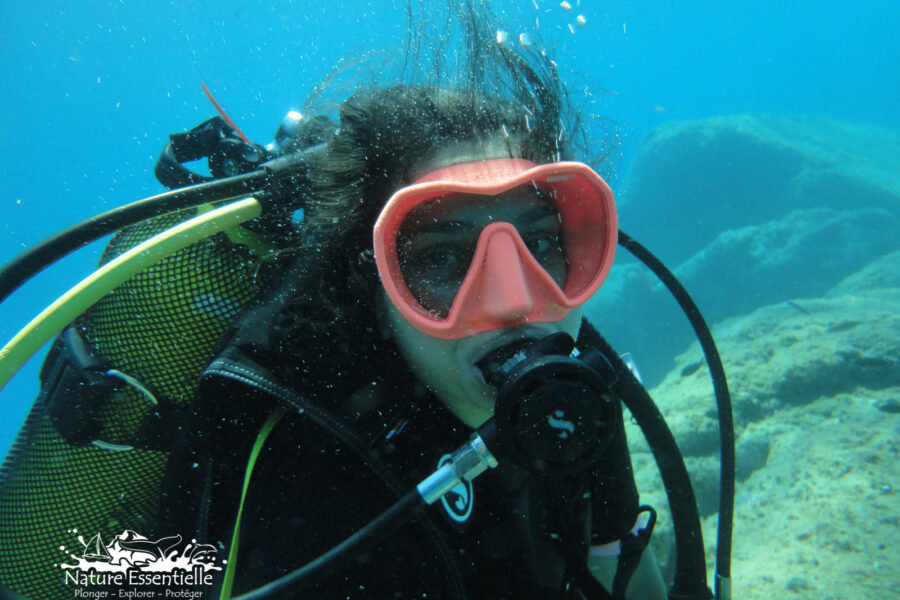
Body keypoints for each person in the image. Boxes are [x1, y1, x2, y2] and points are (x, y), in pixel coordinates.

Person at [156, 81, 668, 599]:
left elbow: (620, 566)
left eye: (539, 243)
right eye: (442, 257)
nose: (515, 302)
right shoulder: (311, 488)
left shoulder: (570, 402)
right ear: (373, 290)